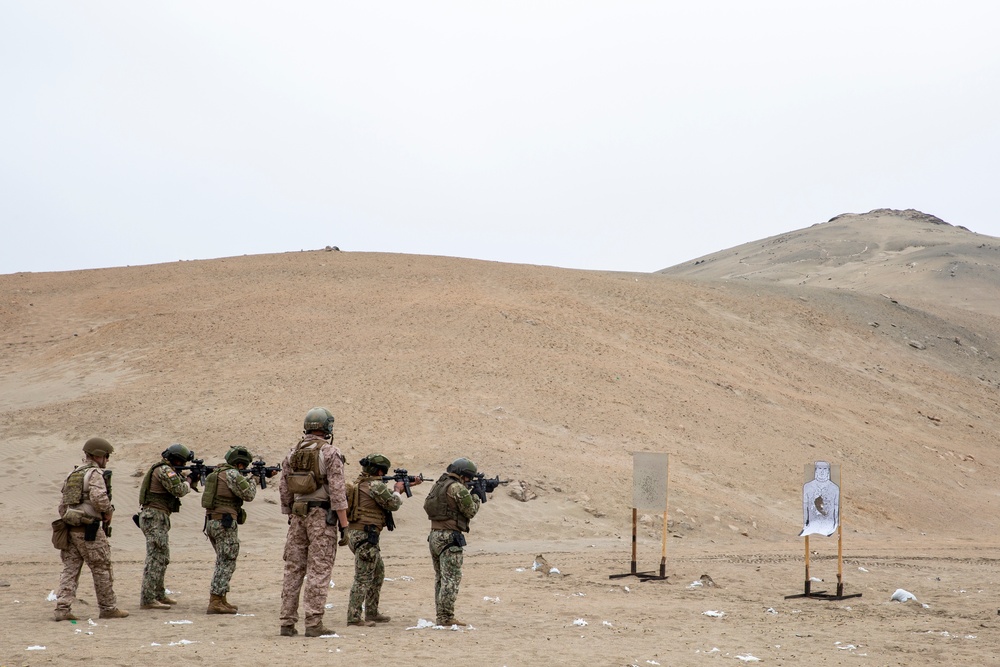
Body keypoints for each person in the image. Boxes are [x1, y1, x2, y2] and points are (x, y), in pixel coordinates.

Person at [278, 407, 349, 638]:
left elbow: (284, 489)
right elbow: (338, 493)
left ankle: (287, 623)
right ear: (327, 427)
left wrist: (290, 513)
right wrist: (344, 525)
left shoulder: (292, 453)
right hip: (322, 517)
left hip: (298, 517)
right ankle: (313, 623)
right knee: (319, 570)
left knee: (293, 570)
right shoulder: (330, 453)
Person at [53, 437, 129, 621]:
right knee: (101, 567)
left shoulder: (75, 473)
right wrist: (108, 512)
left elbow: (63, 505)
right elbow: (99, 498)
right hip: (89, 529)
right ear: (99, 455)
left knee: (70, 569)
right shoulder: (94, 474)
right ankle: (108, 608)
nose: (107, 460)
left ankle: (62, 608)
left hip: (70, 527)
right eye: (107, 456)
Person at [345, 454, 422, 627]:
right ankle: (354, 616)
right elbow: (393, 504)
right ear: (380, 470)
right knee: (363, 577)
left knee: (378, 572)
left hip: (358, 534)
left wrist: (404, 486)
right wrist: (397, 489)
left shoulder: (360, 483)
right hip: (366, 536)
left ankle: (372, 612)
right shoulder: (375, 486)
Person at [424, 457, 481, 627]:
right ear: (465, 475)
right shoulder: (457, 488)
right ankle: (445, 617)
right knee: (452, 578)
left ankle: (441, 614)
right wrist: (477, 496)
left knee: (441, 578)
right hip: (449, 537)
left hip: (435, 535)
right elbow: (470, 511)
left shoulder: (439, 485)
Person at [202, 446, 259, 614]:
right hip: (224, 522)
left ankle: (221, 598)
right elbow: (248, 494)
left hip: (213, 521)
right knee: (227, 561)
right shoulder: (232, 474)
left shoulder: (217, 473)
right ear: (240, 464)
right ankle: (216, 600)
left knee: (223, 560)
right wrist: (254, 479)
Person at [138, 443, 193, 610]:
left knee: (162, 557)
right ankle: (148, 598)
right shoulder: (164, 470)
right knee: (155, 557)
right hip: (155, 516)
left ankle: (158, 593)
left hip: (158, 517)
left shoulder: (166, 470)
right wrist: (189, 481)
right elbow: (179, 490)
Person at [799, 460, 841, 537]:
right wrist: (805, 523)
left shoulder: (834, 488)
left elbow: (836, 507)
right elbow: (806, 506)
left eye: (825, 469)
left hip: (829, 524)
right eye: (820, 468)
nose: (822, 472)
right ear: (816, 470)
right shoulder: (808, 486)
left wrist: (835, 524)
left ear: (828, 471)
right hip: (812, 523)